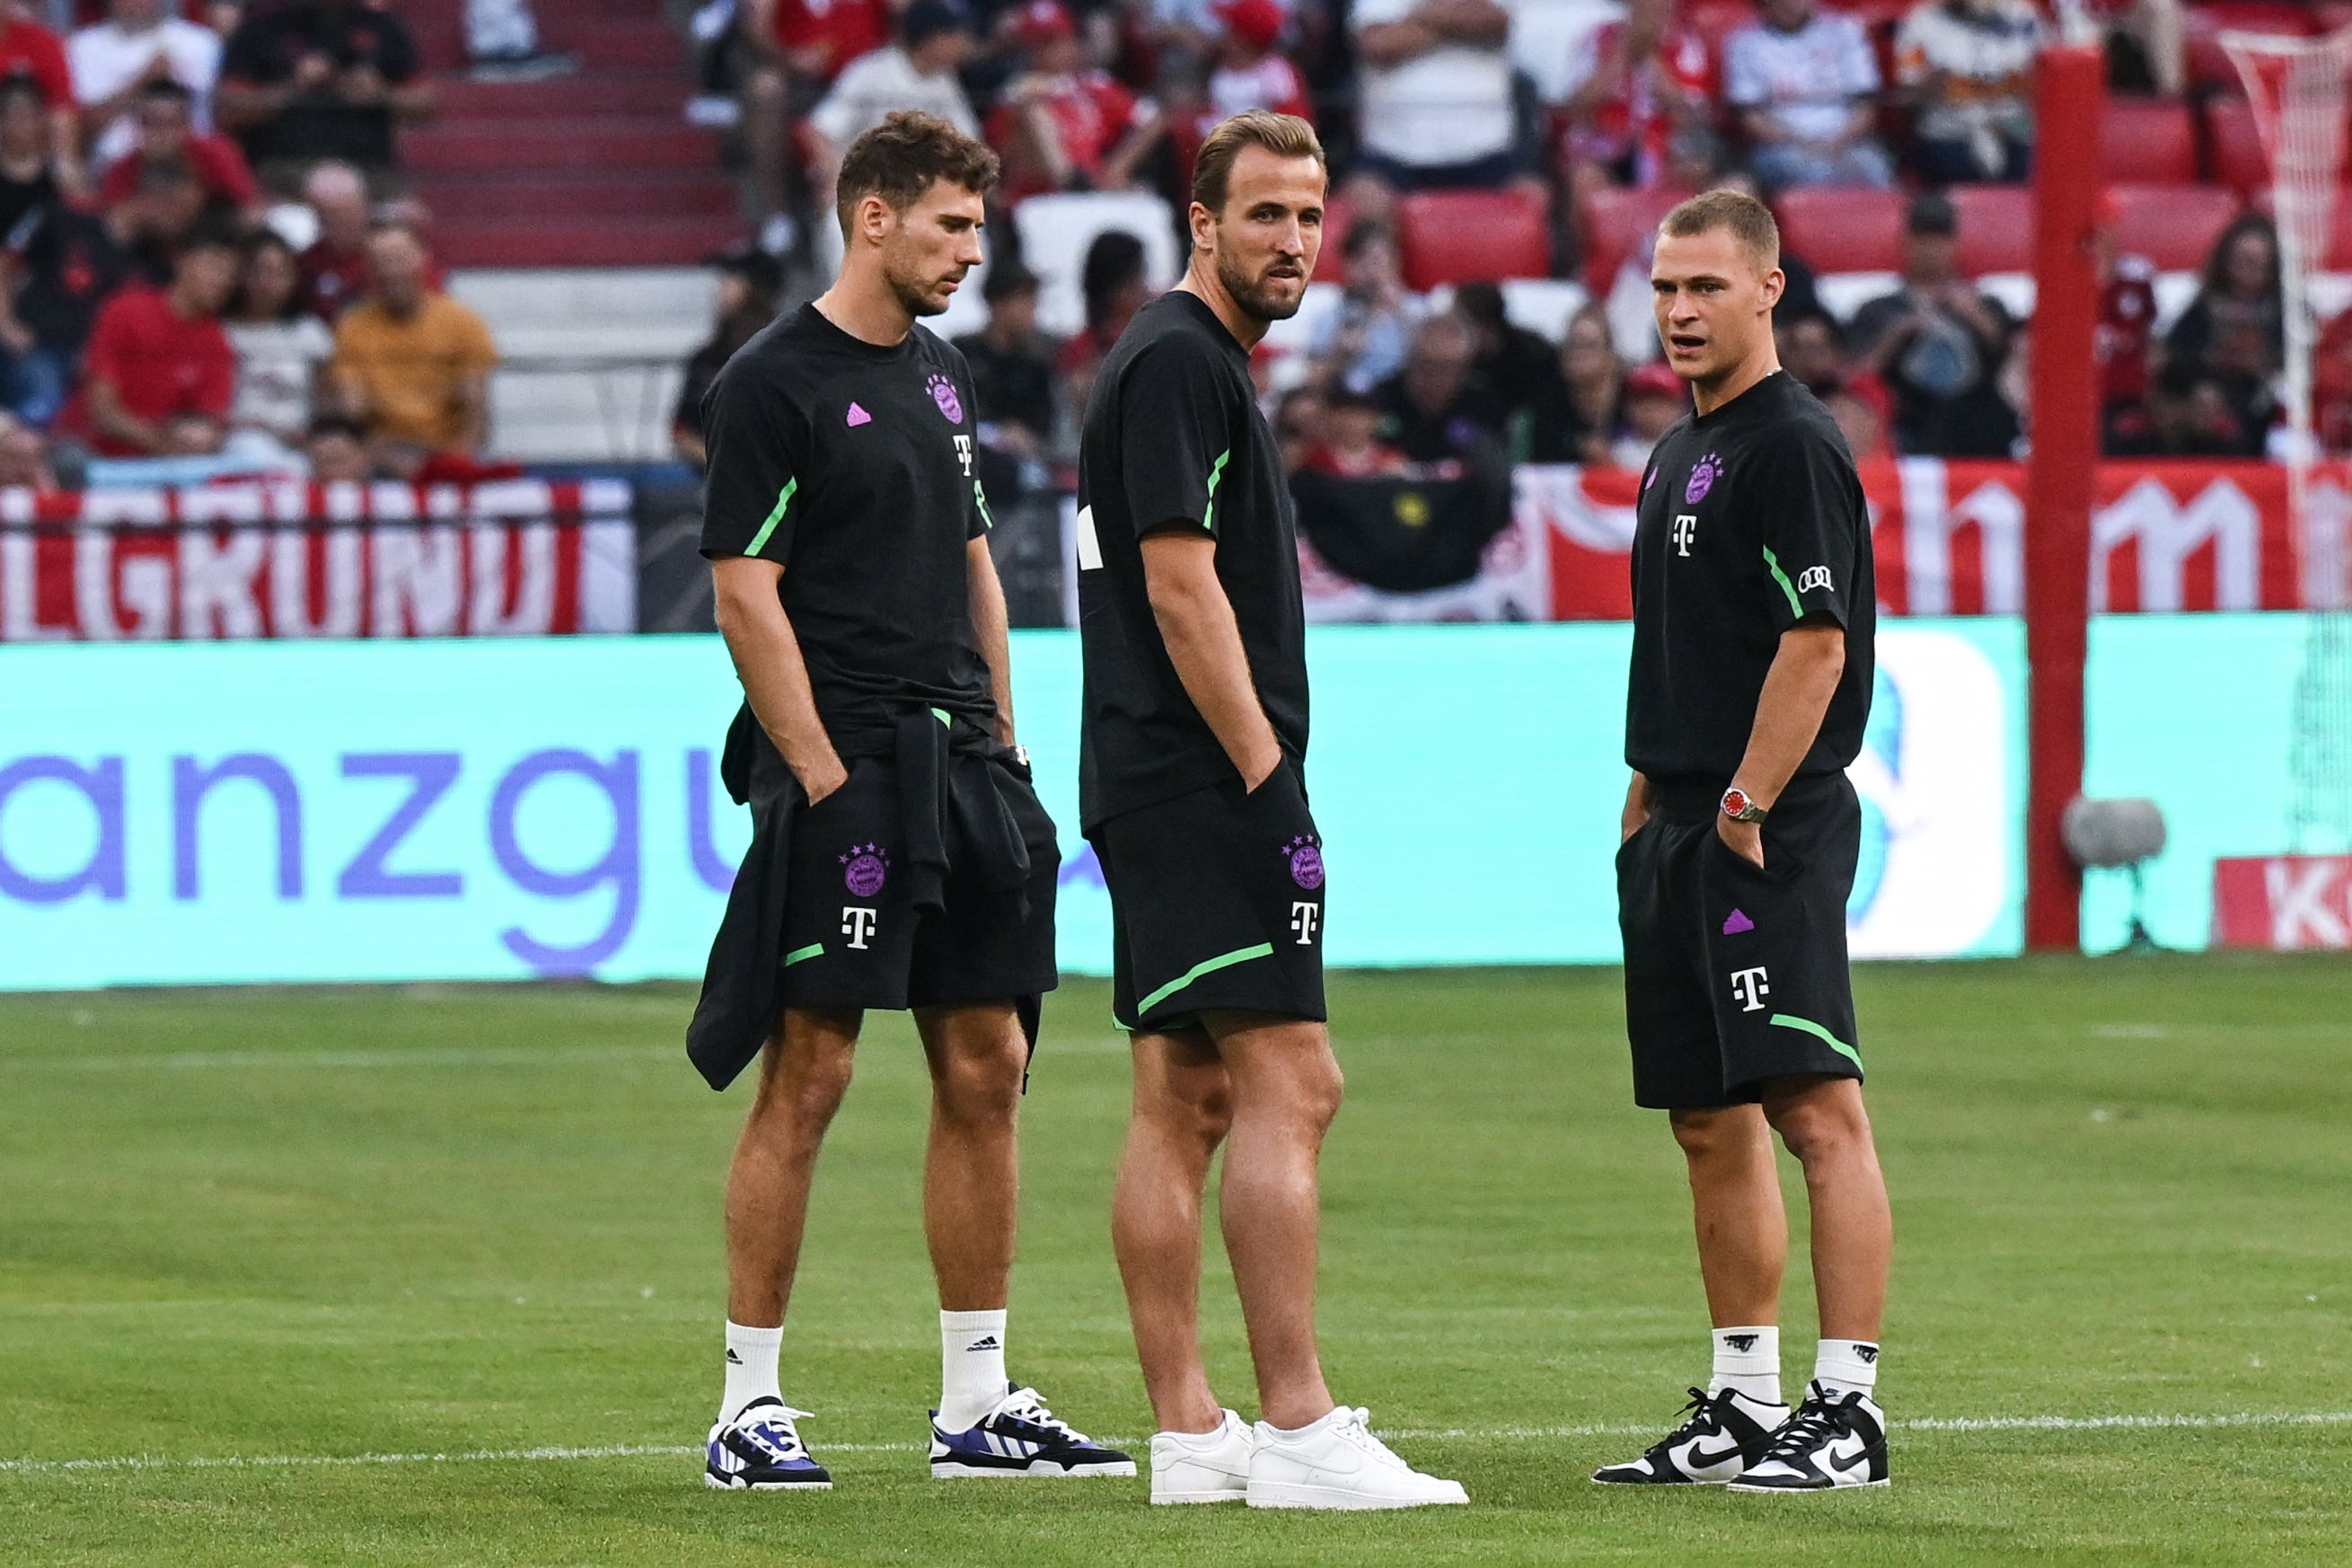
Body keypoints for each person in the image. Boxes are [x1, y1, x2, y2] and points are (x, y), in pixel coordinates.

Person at [688, 109, 1127, 1493]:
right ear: (871, 215)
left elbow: (979, 561)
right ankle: (746, 1403)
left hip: (961, 760)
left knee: (987, 1063)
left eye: (975, 229)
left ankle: (977, 1399)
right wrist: (813, 766)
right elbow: (741, 588)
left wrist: (1002, 738)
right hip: (851, 759)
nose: (967, 252)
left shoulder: (940, 375)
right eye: (949, 225)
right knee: (808, 1069)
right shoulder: (771, 383)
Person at [1076, 109, 1467, 1511]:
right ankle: (1298, 1428)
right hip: (1199, 774)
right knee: (1292, 1082)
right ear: (1202, 221)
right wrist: (1261, 770)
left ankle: (1189, 1431)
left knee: (1179, 1096)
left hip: (1147, 772)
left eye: (1308, 218)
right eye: (1263, 216)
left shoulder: (1177, 363)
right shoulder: (1182, 362)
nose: (1292, 241)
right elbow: (1179, 584)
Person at [1598, 187, 1890, 1493]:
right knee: (1705, 1119)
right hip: (1673, 818)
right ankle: (1741, 1398)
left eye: (1704, 287)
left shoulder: (1790, 446)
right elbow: (1676, 643)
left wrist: (1741, 805)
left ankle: (1849, 1407)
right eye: (1663, 288)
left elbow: (1814, 642)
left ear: (1768, 289)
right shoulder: (1678, 448)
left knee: (1812, 1106)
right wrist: (1644, 798)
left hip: (1757, 823)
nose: (1677, 312)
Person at [1845, 192, 2016, 455]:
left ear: (1956, 244)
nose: (1931, 250)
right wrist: (1895, 336)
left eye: (1940, 240)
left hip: (1978, 425)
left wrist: (1975, 316)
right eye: (1922, 240)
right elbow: (1854, 376)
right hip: (1906, 423)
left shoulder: (1987, 305)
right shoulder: (1878, 310)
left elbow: (2015, 362)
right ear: (1906, 243)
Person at [1342, 0, 1530, 225]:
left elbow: (1496, 23)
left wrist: (1415, 19)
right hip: (1392, 156)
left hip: (1488, 154)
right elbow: (1379, 44)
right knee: (1365, 200)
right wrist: (1459, 25)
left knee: (1532, 197)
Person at [65, 220, 239, 456]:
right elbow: (101, 408)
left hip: (162, 461)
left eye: (229, 275)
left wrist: (201, 439)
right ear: (183, 261)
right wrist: (160, 443)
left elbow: (209, 419)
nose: (221, 281)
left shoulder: (217, 343)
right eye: (213, 267)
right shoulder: (126, 309)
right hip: (90, 447)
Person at [329, 223, 498, 455]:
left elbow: (475, 411)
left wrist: (455, 462)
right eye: (380, 262)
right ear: (368, 268)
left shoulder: (463, 322)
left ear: (421, 258)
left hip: (448, 450)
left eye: (398, 259)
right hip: (379, 455)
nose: (390, 271)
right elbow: (353, 412)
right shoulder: (352, 326)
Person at [216, 0, 434, 176]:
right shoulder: (260, 28)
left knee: (404, 223)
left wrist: (380, 94)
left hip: (367, 166)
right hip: (284, 168)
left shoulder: (382, 27)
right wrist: (295, 86)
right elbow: (230, 110)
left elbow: (427, 102)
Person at [804, 0, 980, 213]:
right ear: (931, 38)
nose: (964, 43)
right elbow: (818, 130)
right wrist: (832, 180)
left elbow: (969, 142)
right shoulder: (872, 71)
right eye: (955, 35)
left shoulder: (945, 81)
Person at [990, 0, 1161, 201]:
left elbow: (1153, 119)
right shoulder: (1017, 90)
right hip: (1039, 194)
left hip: (1093, 182)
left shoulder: (1093, 84)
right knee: (1032, 111)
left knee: (1144, 196)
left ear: (1071, 41)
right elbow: (1000, 149)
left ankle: (1081, 185)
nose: (1042, 51)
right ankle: (1070, 183)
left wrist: (1115, 169)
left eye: (1051, 41)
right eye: (1034, 44)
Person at [1722, 0, 1893, 192]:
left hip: (1846, 142)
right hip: (1783, 146)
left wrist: (1837, 143)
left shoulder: (1844, 30)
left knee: (1874, 169)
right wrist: (1804, 145)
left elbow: (1866, 108)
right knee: (1808, 172)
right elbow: (1751, 119)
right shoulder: (1744, 42)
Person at [2163, 213, 2283, 458]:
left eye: (2256, 263)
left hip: (2265, 407)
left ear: (2273, 268)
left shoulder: (2288, 315)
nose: (2246, 272)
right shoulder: (2204, 309)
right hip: (2209, 402)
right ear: (2225, 262)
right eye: (2241, 261)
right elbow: (2177, 357)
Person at [1892, 0, 2043, 184]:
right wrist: (1930, 84)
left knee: (2034, 160)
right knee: (1949, 162)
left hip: (2012, 128)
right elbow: (1908, 89)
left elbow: (2047, 72)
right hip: (1951, 131)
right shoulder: (1921, 21)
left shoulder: (2020, 15)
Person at [69, 0, 224, 170]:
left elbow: (215, 112)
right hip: (110, 167)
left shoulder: (200, 42)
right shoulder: (83, 46)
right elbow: (82, 128)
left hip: (193, 167)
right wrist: (144, 80)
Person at [674, 242, 782, 469]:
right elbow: (682, 431)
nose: (720, 289)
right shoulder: (707, 360)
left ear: (756, 288)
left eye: (730, 279)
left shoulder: (788, 354)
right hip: (717, 488)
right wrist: (727, 466)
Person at [225, 227, 334, 450]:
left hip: (298, 445)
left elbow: (326, 401)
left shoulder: (310, 332)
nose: (267, 283)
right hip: (236, 442)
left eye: (278, 274)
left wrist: (313, 435)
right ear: (242, 275)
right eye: (259, 272)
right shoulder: (224, 331)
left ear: (293, 279)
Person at [95, 77, 261, 216]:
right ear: (137, 126)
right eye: (151, 123)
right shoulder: (123, 169)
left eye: (170, 123)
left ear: (187, 125)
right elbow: (110, 224)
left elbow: (250, 208)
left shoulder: (217, 154)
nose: (161, 133)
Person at [952, 258, 1060, 461]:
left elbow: (1045, 427)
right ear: (997, 304)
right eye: (1024, 301)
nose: (1032, 311)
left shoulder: (1034, 365)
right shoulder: (962, 354)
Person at [1306, 221, 1416, 394]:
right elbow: (1312, 383)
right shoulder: (1330, 316)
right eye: (1362, 262)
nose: (1372, 272)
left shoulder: (1417, 310)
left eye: (1378, 262)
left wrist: (1400, 312)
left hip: (1400, 399)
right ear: (1347, 266)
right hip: (1345, 400)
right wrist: (1339, 357)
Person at [1523, 302, 1625, 464]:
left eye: (1588, 346)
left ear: (1609, 354)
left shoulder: (1631, 397)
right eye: (1572, 345)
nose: (1578, 355)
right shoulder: (1548, 400)